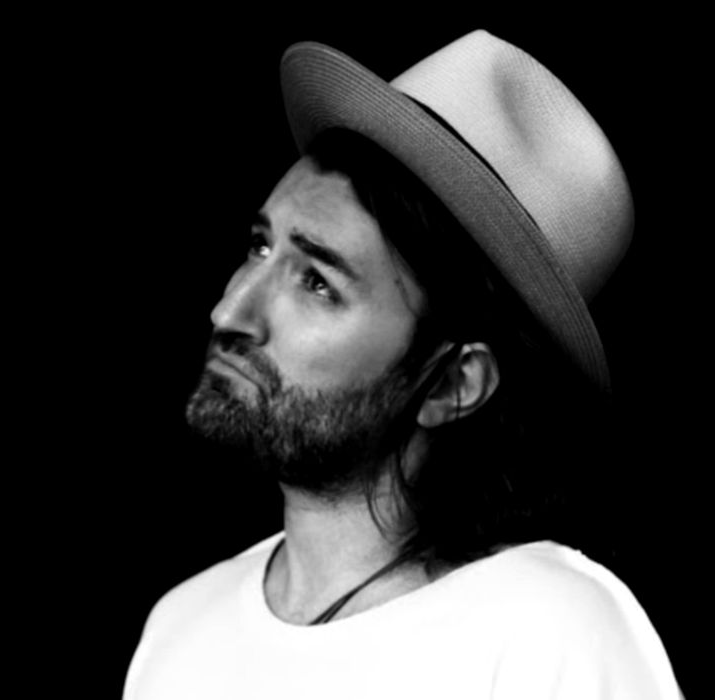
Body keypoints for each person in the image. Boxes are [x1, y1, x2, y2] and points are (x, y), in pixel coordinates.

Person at [123, 30, 682, 699]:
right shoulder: (182, 628)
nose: (229, 311)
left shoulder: (552, 634)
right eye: (260, 248)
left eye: (318, 283)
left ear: (452, 383)